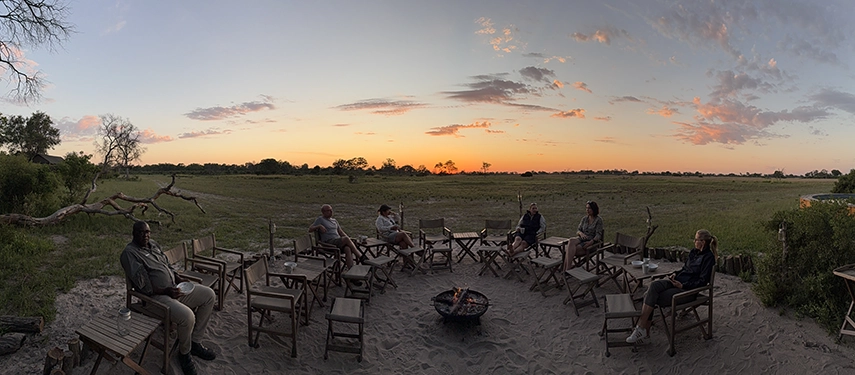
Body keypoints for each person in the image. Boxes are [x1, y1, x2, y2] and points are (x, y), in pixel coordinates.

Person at [120, 222, 216, 375]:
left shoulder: (153, 245)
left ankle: (195, 342)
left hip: (173, 289)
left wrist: (179, 280)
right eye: (141, 232)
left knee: (209, 295)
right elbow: (144, 287)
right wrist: (166, 290)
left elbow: (168, 266)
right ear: (133, 233)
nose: (146, 235)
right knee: (187, 316)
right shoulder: (130, 253)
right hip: (155, 298)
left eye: (148, 232)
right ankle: (184, 354)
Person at [626, 229, 718, 344]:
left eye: (696, 239)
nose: (694, 241)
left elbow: (703, 281)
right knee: (654, 286)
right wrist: (675, 274)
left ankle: (641, 329)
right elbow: (685, 269)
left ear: (703, 242)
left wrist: (683, 285)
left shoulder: (708, 258)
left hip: (688, 291)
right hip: (677, 282)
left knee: (650, 296)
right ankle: (642, 330)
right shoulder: (693, 252)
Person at [563, 201, 604, 271]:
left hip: (591, 242)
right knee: (571, 241)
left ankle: (565, 270)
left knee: (569, 250)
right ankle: (568, 269)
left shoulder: (598, 220)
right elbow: (578, 230)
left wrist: (591, 242)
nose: (587, 210)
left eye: (589, 208)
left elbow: (598, 234)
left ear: (594, 209)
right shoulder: (584, 219)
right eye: (586, 208)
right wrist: (581, 233)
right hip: (582, 238)